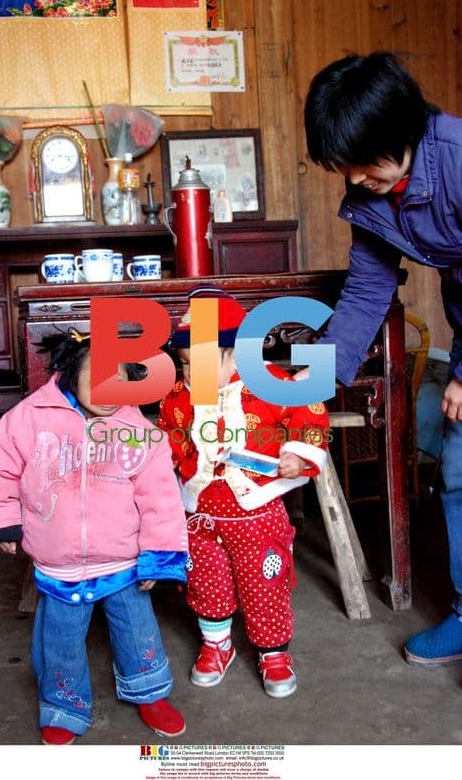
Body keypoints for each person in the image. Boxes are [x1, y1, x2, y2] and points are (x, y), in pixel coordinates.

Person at [304, 50, 462, 665]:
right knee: (458, 472)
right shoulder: (372, 195)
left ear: (402, 129)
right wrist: (320, 374)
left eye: (363, 162)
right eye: (343, 167)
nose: (354, 179)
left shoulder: (457, 157)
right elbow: (367, 288)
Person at [0, 328, 188, 745]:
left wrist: (159, 556)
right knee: (61, 642)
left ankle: (149, 692)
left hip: (123, 561)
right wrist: (1, 520)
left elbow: (161, 497)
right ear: (70, 373)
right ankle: (63, 707)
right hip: (58, 563)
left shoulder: (138, 430)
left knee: (137, 631)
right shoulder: (31, 418)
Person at [157, 286, 329, 698]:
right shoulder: (179, 398)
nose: (188, 374)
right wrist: (165, 460)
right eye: (184, 364)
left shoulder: (270, 385)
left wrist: (298, 454)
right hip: (200, 515)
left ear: (234, 355)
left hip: (258, 513)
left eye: (198, 364)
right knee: (206, 581)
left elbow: (309, 415)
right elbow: (171, 434)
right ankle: (217, 644)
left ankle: (273, 652)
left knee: (263, 584)